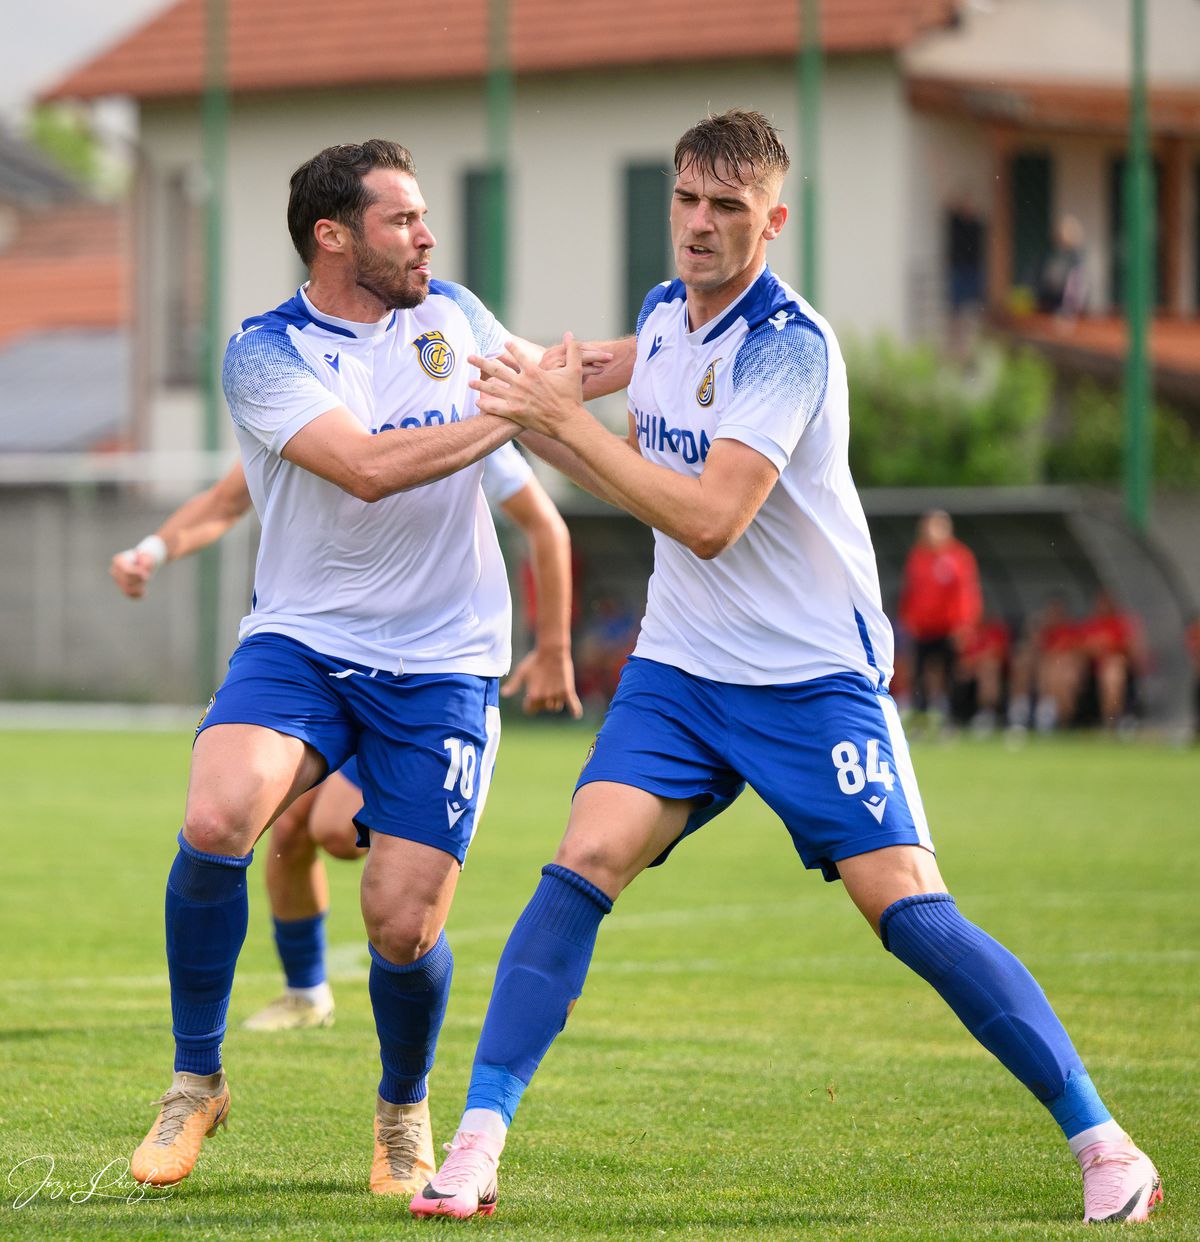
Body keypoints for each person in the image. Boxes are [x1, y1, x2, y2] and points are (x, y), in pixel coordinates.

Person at [408, 110, 1161, 1226]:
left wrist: (566, 421)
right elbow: (565, 373)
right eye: (685, 200)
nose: (699, 226)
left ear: (775, 218)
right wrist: (458, 333)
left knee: (903, 909)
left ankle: (1105, 1144)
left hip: (812, 681)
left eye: (726, 207)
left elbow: (710, 519)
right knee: (583, 858)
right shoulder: (664, 317)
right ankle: (476, 1141)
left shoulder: (788, 347)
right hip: (681, 672)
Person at [125, 137, 605, 1196]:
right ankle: (195, 1080)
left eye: (425, 217)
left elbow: (563, 377)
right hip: (302, 640)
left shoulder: (456, 316)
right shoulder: (264, 353)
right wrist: (512, 412)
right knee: (216, 819)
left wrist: (680, 344)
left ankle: (401, 1110)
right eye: (402, 220)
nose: (427, 235)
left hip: (441, 664)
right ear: (333, 235)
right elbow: (371, 471)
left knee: (400, 922)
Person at [110, 445, 581, 1032]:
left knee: (335, 832)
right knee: (280, 827)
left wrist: (555, 647)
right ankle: (307, 994)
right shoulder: (304, 411)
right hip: (318, 663)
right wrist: (151, 551)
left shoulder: (454, 411)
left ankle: (421, 851)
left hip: (418, 674)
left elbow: (545, 524)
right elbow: (225, 500)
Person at [897, 510, 982, 726]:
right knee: (918, 675)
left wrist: (964, 625)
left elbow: (966, 594)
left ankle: (951, 720)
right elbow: (910, 592)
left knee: (952, 676)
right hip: (923, 629)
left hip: (949, 629)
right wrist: (908, 620)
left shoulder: (959, 557)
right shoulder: (917, 556)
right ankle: (920, 719)